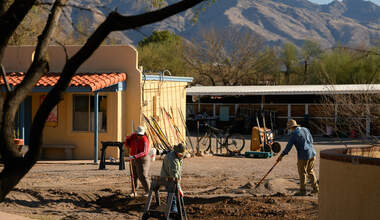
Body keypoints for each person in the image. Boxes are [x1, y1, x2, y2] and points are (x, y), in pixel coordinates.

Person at [277, 119, 319, 196]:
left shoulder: (294, 134)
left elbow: (288, 147)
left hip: (304, 155)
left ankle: (302, 191)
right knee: (310, 171)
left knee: (302, 173)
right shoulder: (305, 129)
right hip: (313, 153)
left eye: (289, 129)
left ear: (290, 128)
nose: (289, 130)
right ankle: (316, 189)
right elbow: (311, 140)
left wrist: (282, 155)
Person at [125, 126, 150, 195]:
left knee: (142, 175)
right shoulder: (133, 136)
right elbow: (128, 143)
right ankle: (134, 191)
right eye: (138, 134)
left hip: (143, 159)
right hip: (133, 157)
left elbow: (144, 152)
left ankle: (148, 191)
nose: (139, 136)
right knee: (134, 175)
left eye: (141, 135)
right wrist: (127, 141)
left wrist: (135, 156)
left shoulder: (145, 140)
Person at [160, 144, 185, 213]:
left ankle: (178, 209)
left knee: (175, 192)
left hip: (173, 178)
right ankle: (173, 211)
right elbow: (174, 176)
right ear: (176, 152)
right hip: (168, 178)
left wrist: (179, 184)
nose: (182, 155)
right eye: (180, 154)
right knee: (172, 192)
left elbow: (178, 172)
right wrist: (179, 189)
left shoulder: (179, 157)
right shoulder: (172, 159)